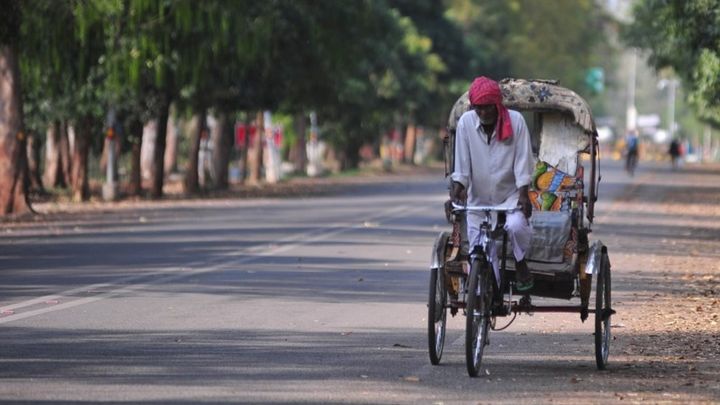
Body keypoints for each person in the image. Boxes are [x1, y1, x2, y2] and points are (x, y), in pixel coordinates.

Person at [449, 76, 535, 292]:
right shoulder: (466, 123)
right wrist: (457, 189)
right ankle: (485, 295)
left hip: (510, 195)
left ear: (497, 105)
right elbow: (462, 165)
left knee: (516, 226)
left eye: (488, 108)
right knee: (477, 248)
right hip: (478, 198)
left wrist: (524, 194)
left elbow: (523, 161)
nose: (483, 113)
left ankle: (521, 261)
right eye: (479, 108)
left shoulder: (516, 122)